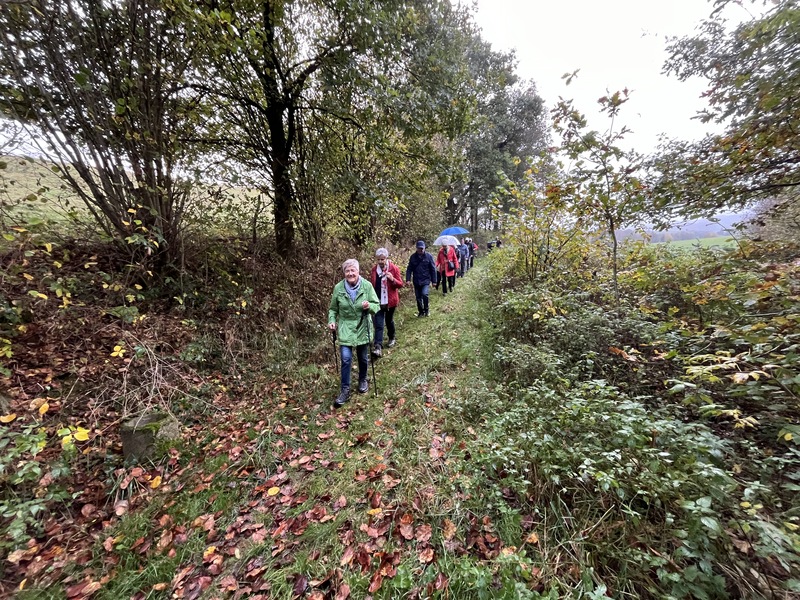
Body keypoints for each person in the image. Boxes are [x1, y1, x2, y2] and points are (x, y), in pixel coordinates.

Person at [328, 259, 380, 408]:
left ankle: (363, 380)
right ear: (344, 273)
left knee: (363, 358)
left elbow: (376, 306)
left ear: (358, 272)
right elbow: (333, 309)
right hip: (345, 327)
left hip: (363, 326)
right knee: (345, 359)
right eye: (347, 271)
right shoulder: (338, 288)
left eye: (353, 270)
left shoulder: (367, 286)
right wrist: (332, 320)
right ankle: (345, 390)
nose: (350, 273)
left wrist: (369, 306)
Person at [369, 247, 403, 357]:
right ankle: (377, 347)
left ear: (386, 258)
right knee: (378, 324)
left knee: (389, 321)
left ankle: (392, 337)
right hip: (378, 301)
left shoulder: (394, 269)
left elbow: (400, 284)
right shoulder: (374, 270)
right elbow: (372, 285)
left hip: (390, 301)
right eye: (378, 259)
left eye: (382, 259)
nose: (380, 262)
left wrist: (392, 279)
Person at [405, 240, 437, 317]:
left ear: (424, 248)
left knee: (424, 294)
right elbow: (409, 269)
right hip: (416, 280)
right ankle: (421, 312)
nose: (421, 250)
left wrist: (434, 281)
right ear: (416, 248)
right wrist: (408, 279)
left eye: (422, 248)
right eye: (419, 248)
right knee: (418, 297)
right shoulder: (413, 257)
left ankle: (426, 310)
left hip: (426, 280)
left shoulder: (429, 256)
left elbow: (433, 269)